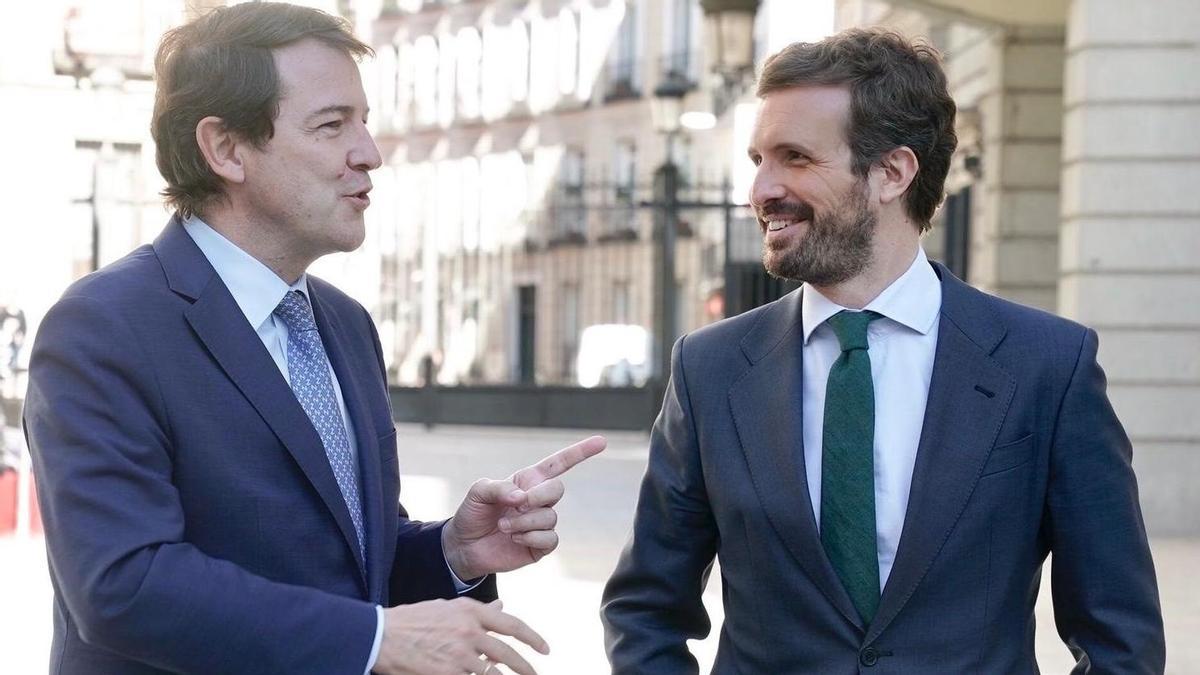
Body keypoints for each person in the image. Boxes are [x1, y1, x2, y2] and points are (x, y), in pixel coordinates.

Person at [24, 4, 604, 674]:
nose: (371, 154)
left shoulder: (345, 322)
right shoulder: (104, 326)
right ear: (226, 149)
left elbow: (348, 566)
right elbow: (125, 584)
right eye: (333, 125)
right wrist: (374, 640)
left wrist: (452, 551)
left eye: (365, 122)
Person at [601, 28, 1164, 673]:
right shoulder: (710, 369)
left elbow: (1121, 635)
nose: (762, 190)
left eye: (796, 158)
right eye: (759, 160)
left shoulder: (1047, 365)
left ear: (892, 173)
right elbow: (645, 609)